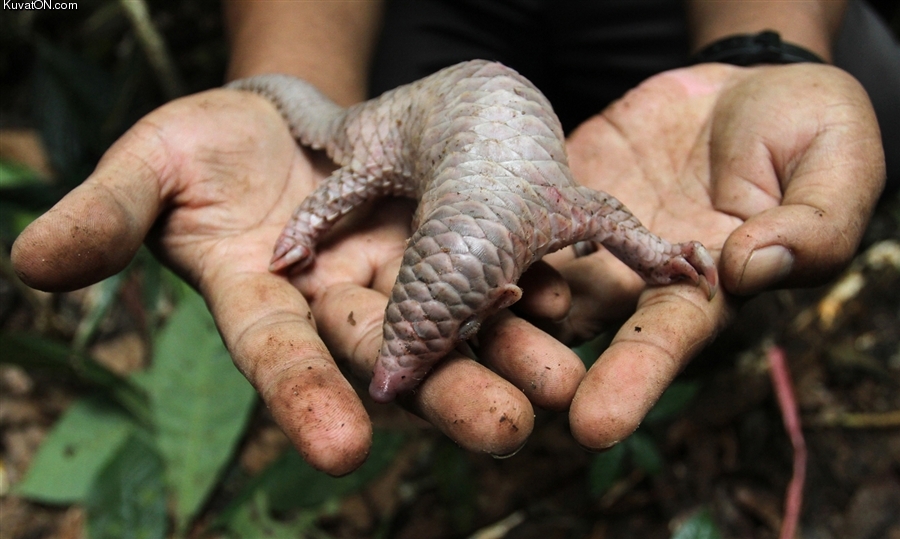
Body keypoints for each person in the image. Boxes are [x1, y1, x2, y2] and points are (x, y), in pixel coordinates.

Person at [10, 0, 888, 476]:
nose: (393, 373)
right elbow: (611, 221)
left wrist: (761, 52)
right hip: (426, 98)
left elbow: (618, 223)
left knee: (878, 72)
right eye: (410, 345)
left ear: (505, 294)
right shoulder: (547, 206)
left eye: (419, 345)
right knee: (355, 152)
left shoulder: (552, 206)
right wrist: (311, 209)